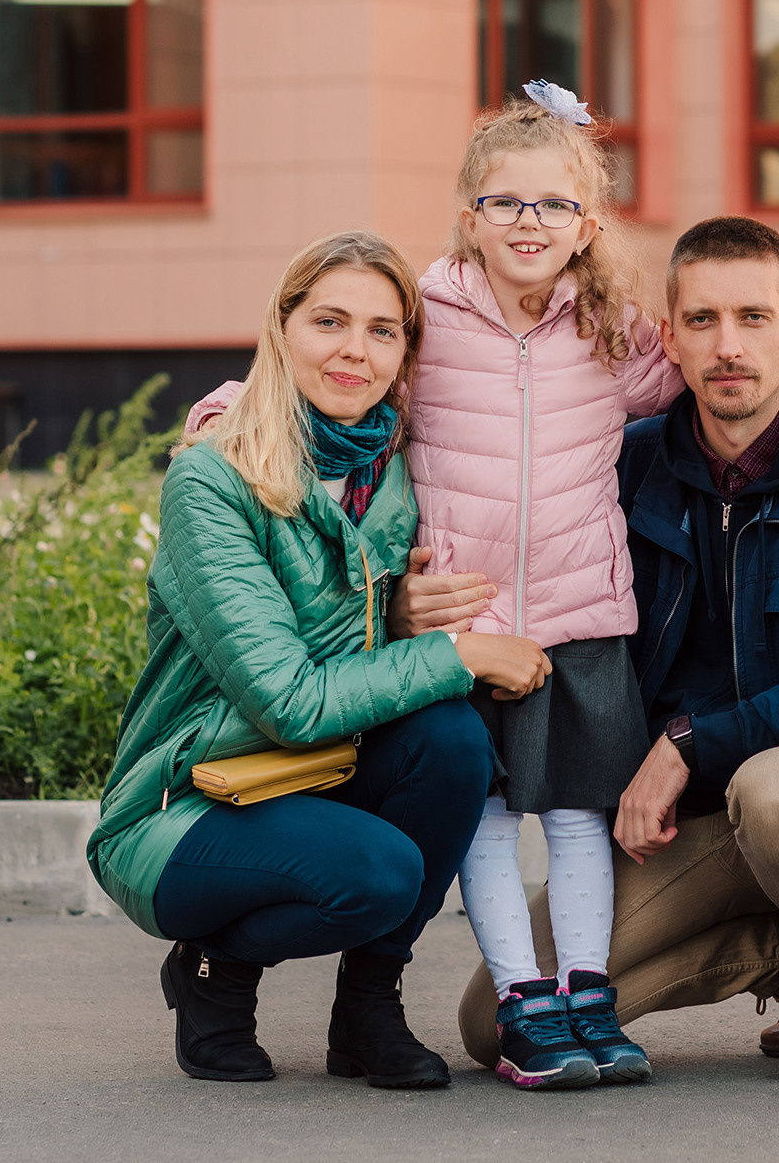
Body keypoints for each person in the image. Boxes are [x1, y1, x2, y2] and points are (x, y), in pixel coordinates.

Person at [188, 86, 779, 1090]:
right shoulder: (425, 326)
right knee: (478, 810)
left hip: (581, 619)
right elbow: (318, 377)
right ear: (469, 215)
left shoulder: (610, 335)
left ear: (585, 225)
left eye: (552, 205)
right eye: (504, 202)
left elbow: (724, 350)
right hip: (463, 621)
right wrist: (217, 413)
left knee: (574, 815)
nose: (528, 222)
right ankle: (523, 999)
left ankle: (585, 992)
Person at [449, 215, 779, 1082]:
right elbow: (475, 424)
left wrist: (687, 745)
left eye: (754, 318)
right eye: (703, 321)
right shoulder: (628, 461)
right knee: (497, 1026)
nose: (729, 346)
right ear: (669, 338)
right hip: (693, 819)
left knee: (778, 791)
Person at [87, 231, 550, 1091]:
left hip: (315, 774)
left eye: (383, 330)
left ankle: (368, 1013)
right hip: (187, 801)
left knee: (452, 741)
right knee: (379, 872)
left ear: (407, 352)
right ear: (281, 328)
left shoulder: (396, 470)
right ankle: (213, 973)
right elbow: (289, 700)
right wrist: (457, 649)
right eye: (329, 320)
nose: (355, 350)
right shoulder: (213, 479)